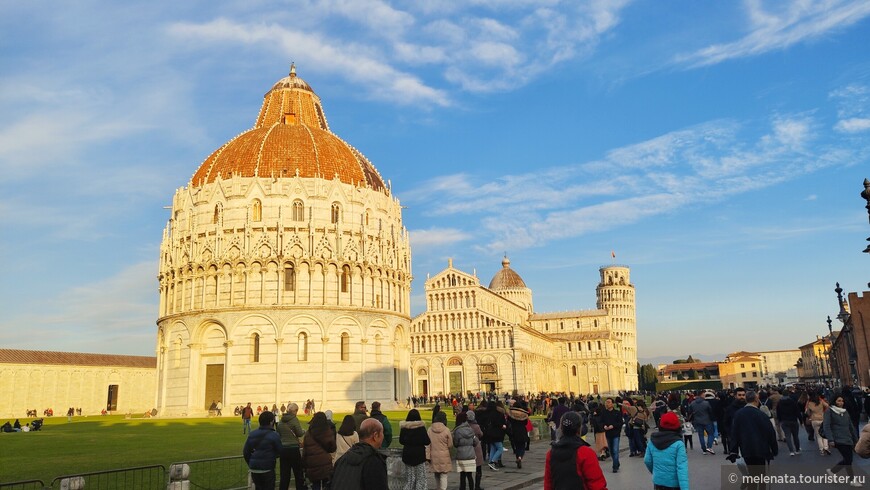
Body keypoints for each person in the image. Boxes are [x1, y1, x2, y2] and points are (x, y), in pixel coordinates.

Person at [544, 411, 608, 490]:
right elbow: (596, 484)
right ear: (579, 428)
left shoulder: (550, 454)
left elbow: (548, 484)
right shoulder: (585, 453)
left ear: (561, 428)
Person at [727, 390, 777, 490]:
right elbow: (770, 432)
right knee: (762, 474)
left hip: (746, 448)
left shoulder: (738, 414)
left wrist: (733, 450)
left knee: (752, 473)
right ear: (756, 399)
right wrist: (774, 449)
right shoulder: (761, 414)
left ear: (746, 399)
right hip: (761, 449)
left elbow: (734, 433)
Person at [330, 418, 388, 490]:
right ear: (375, 435)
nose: (383, 436)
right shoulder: (374, 462)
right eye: (382, 433)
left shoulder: (342, 460)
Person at [821, 393, 861, 486]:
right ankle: (852, 480)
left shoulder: (845, 412)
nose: (841, 403)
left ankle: (832, 471)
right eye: (839, 401)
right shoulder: (829, 411)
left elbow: (850, 426)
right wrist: (830, 439)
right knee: (848, 459)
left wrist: (856, 439)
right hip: (837, 439)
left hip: (848, 438)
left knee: (848, 459)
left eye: (842, 401)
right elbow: (826, 426)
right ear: (834, 401)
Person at [645, 412, 690, 490]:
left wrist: (655, 472)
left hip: (658, 481)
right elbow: (682, 468)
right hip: (673, 484)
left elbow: (647, 460)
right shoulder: (678, 444)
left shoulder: (652, 441)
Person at [243, 411, 283, 490]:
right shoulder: (274, 435)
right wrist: (272, 457)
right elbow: (280, 451)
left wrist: (251, 462)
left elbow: (246, 452)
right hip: (267, 468)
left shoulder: (252, 434)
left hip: (254, 468)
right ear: (271, 422)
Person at [302, 411, 337, 490]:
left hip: (312, 464)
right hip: (325, 463)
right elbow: (333, 448)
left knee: (315, 484)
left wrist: (304, 464)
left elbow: (305, 451)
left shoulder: (308, 434)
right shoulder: (328, 432)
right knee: (327, 484)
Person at [276, 403, 306, 490]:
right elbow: (299, 433)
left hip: (283, 449)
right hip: (293, 449)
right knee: (298, 473)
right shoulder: (294, 419)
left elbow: (279, 434)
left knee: (284, 474)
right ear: (295, 411)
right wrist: (304, 431)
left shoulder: (281, 421)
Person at [399, 409, 430, 490]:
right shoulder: (421, 428)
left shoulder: (404, 428)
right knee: (420, 478)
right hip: (419, 455)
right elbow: (427, 441)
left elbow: (401, 441)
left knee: (409, 478)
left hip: (408, 454)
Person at [428, 411, 453, 490]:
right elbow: (450, 444)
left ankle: (438, 487)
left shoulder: (429, 430)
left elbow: (427, 444)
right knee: (444, 474)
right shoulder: (446, 430)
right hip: (444, 454)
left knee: (437, 473)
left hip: (433, 454)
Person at [453, 412, 478, 490]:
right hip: (470, 454)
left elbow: (456, 443)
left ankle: (462, 488)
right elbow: (476, 442)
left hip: (461, 454)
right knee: (469, 475)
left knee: (462, 475)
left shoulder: (457, 431)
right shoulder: (470, 429)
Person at [600, 397, 623, 473]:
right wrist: (604, 426)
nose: (607, 403)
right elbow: (601, 421)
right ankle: (616, 462)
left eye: (609, 402)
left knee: (615, 450)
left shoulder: (617, 413)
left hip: (616, 434)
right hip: (608, 434)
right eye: (606, 402)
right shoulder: (604, 412)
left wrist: (613, 426)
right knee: (611, 451)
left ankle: (615, 467)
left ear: (612, 404)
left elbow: (620, 423)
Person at [484, 400, 508, 470]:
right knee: (500, 448)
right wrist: (502, 426)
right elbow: (498, 422)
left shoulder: (487, 413)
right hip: (496, 433)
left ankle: (491, 462)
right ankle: (492, 461)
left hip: (489, 433)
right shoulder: (497, 413)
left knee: (493, 448)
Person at [804, 391, 830, 456]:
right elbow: (827, 406)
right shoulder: (821, 402)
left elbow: (807, 412)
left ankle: (821, 450)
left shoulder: (809, 403)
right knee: (825, 434)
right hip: (822, 418)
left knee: (818, 436)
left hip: (814, 420)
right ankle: (826, 447)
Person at [507, 399, 530, 468]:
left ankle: (518, 458)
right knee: (522, 446)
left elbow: (509, 420)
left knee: (517, 446)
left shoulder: (511, 413)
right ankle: (520, 458)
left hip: (514, 430)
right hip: (522, 430)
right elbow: (525, 422)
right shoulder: (523, 414)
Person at [466, 410, 486, 490]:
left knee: (469, 470)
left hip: (468, 448)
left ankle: (471, 485)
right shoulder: (476, 426)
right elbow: (481, 434)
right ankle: (477, 486)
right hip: (476, 448)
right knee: (478, 468)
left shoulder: (465, 426)